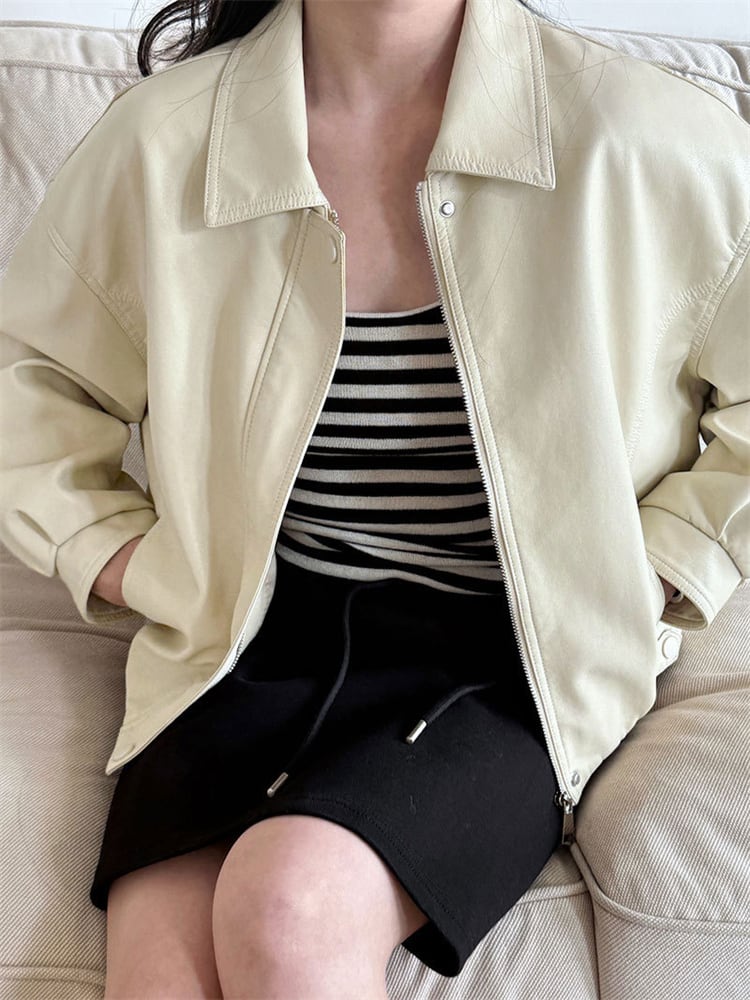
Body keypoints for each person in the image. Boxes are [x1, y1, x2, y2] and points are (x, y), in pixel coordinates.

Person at [0, 0, 747, 996]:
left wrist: (657, 568)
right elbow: (30, 386)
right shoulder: (165, 140)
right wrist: (125, 558)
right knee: (161, 970)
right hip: (241, 639)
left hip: (509, 657)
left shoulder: (641, 133)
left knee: (288, 905)